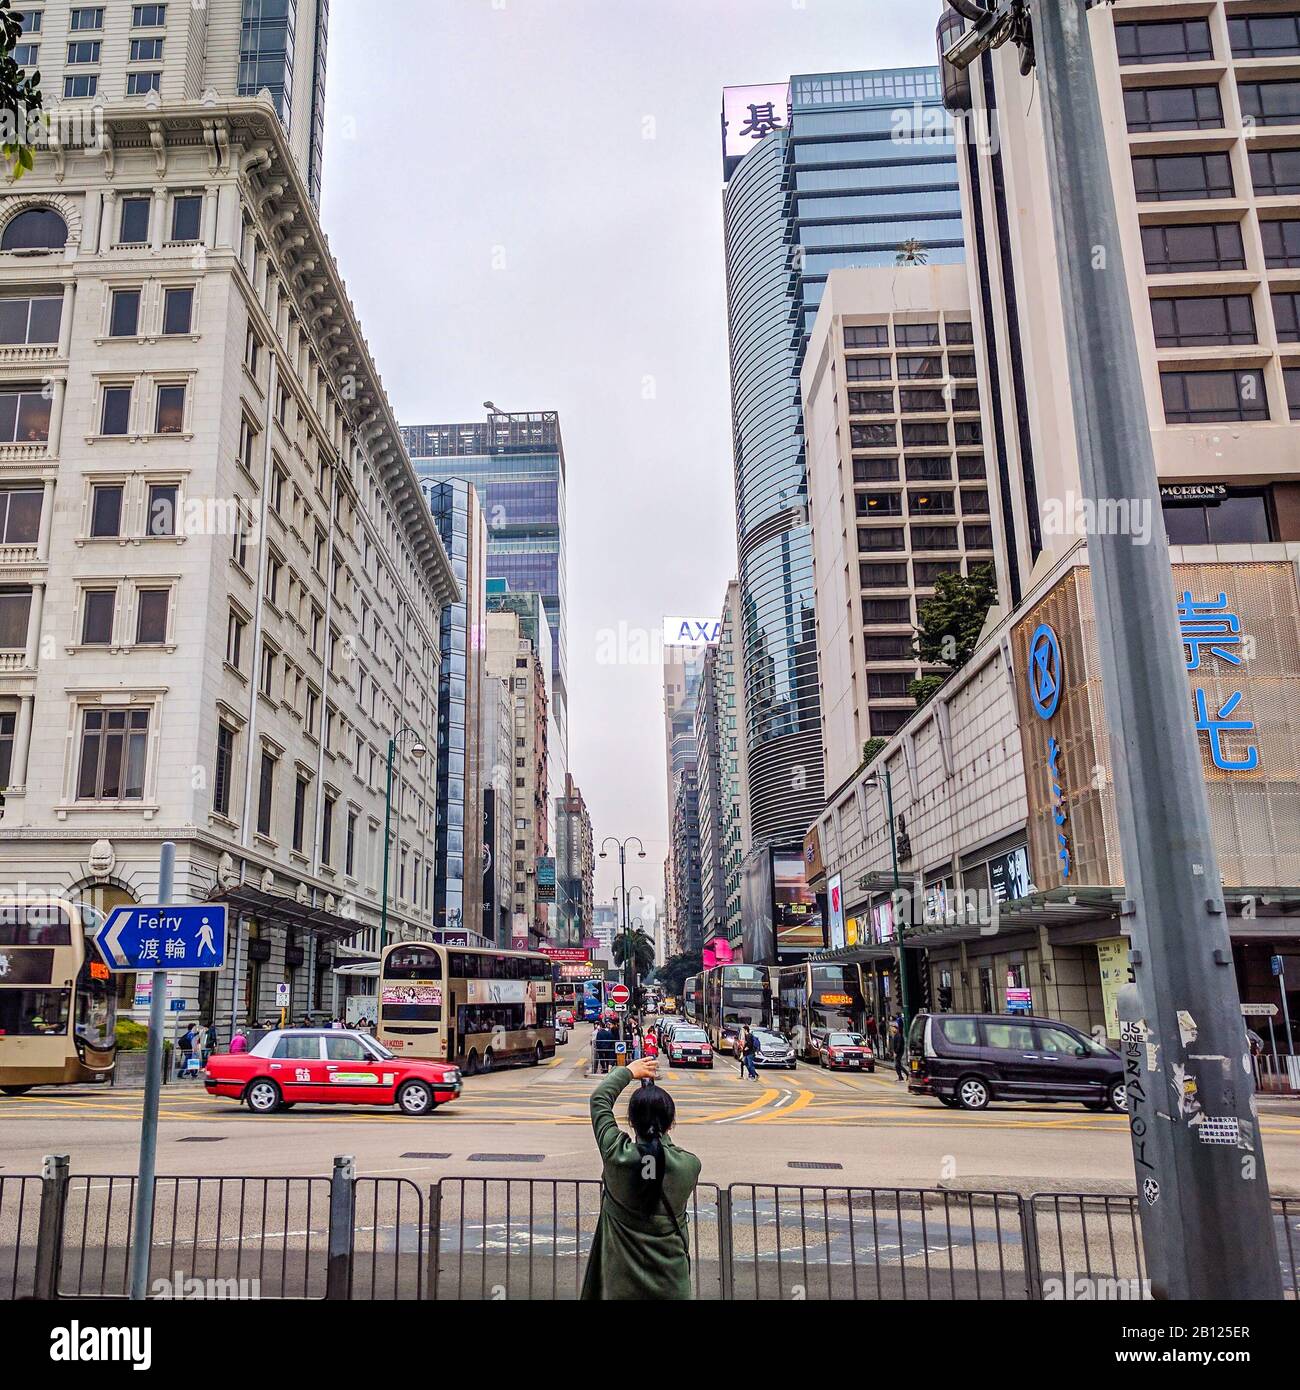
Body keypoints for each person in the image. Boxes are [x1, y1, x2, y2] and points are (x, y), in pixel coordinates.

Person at [580, 1056, 701, 1301]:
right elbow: (655, 1165)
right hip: (672, 1286)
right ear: (670, 1123)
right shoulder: (689, 1165)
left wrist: (628, 1072)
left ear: (631, 1122)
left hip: (619, 1287)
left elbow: (599, 1100)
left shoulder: (617, 1156)